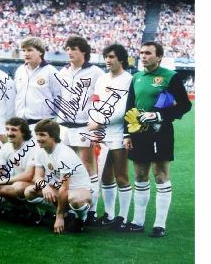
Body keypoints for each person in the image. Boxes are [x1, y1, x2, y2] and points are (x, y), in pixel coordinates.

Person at [123, 41, 192, 237]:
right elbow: (129, 106)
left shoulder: (170, 77)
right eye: (141, 53)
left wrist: (159, 116)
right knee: (139, 175)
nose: (143, 56)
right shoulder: (136, 77)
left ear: (159, 57)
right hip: (138, 132)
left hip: (160, 131)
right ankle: (138, 221)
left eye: (148, 53)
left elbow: (185, 105)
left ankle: (159, 224)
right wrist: (127, 133)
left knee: (160, 174)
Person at [55, 36, 105, 224]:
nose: (70, 52)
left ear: (84, 51)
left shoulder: (95, 72)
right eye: (68, 49)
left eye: (74, 49)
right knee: (63, 166)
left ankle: (91, 209)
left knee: (88, 167)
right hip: (63, 126)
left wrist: (96, 122)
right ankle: (66, 206)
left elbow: (100, 99)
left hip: (84, 126)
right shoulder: (63, 72)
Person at [87, 44, 132, 231]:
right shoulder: (102, 78)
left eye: (111, 56)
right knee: (105, 175)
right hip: (101, 131)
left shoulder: (128, 79)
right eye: (106, 56)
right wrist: (93, 120)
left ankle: (122, 216)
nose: (107, 60)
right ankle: (109, 214)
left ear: (121, 59)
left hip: (118, 132)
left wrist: (99, 121)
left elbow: (123, 108)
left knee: (121, 175)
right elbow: (95, 101)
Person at [24, 119, 92, 234]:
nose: (38, 138)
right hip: (59, 188)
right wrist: (45, 187)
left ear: (53, 137)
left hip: (79, 190)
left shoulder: (64, 154)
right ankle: (65, 213)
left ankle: (81, 218)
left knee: (75, 200)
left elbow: (65, 188)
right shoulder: (40, 150)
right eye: (37, 134)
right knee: (29, 192)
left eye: (42, 135)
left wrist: (58, 217)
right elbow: (37, 177)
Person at [0, 117, 36, 205]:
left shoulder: (32, 148)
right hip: (12, 180)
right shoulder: (6, 146)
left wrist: (0, 182)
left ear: (23, 132)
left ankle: (26, 209)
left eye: (14, 130)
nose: (9, 133)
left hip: (31, 183)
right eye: (7, 129)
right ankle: (10, 207)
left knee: (18, 187)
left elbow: (28, 175)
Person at [14, 37, 61, 131]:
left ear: (40, 52)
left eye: (29, 50)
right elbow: (16, 95)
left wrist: (49, 117)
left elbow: (59, 98)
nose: (26, 53)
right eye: (24, 50)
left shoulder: (51, 72)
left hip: (42, 124)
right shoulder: (20, 70)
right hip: (20, 124)